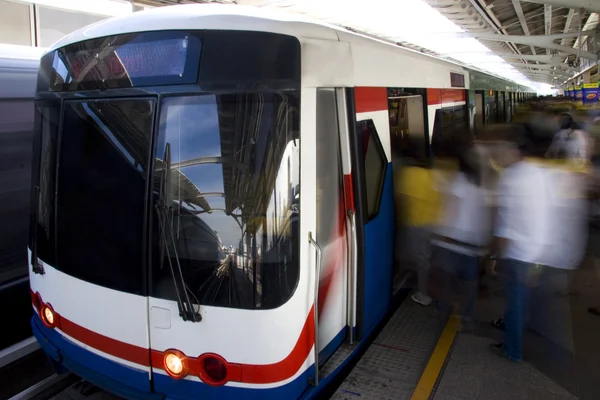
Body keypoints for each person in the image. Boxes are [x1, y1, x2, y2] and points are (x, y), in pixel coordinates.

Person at [486, 126, 553, 363]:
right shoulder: (537, 171)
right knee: (524, 297)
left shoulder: (510, 178)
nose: (495, 155)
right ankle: (531, 330)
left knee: (515, 301)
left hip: (517, 253)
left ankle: (512, 350)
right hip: (537, 249)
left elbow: (505, 227)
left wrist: (493, 258)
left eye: (499, 150)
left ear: (511, 150)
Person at [431, 139, 493, 330]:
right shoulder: (483, 181)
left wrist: (441, 233)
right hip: (473, 241)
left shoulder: (460, 180)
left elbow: (453, 209)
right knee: (469, 284)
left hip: (453, 239)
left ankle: (444, 312)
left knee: (447, 279)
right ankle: (467, 318)